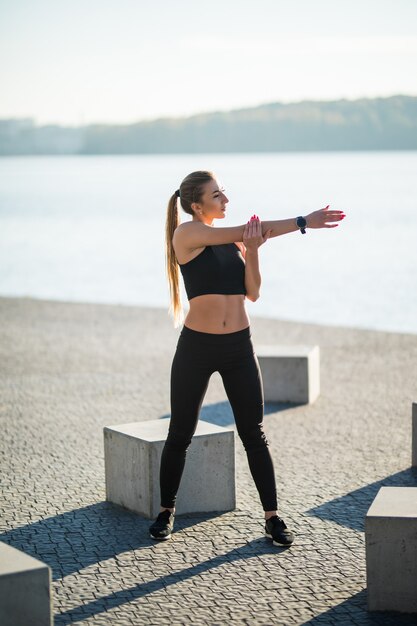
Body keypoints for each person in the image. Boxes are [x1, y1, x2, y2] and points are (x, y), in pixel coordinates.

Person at [149, 170, 345, 545]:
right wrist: (304, 221)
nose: (225, 200)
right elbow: (249, 228)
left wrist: (253, 252)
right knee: (180, 433)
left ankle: (272, 518)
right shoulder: (187, 234)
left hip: (239, 346)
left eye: (224, 193)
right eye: (217, 195)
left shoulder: (237, 243)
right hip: (197, 347)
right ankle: (166, 511)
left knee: (254, 433)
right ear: (196, 205)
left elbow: (252, 293)